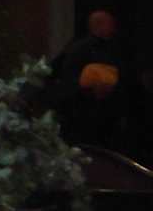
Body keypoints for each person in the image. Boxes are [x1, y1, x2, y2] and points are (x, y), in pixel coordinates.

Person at [51, 9, 129, 147]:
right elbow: (67, 80)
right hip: (84, 116)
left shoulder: (115, 49)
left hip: (109, 116)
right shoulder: (79, 49)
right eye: (110, 24)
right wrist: (90, 90)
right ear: (98, 25)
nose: (114, 28)